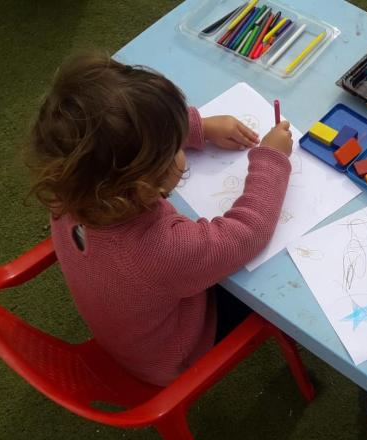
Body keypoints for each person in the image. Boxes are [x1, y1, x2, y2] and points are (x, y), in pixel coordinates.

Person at [25, 52, 293, 386]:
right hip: (176, 354)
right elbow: (248, 232)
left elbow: (117, 138)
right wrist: (271, 159)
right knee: (271, 287)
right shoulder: (162, 248)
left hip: (133, 333)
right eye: (171, 148)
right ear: (146, 182)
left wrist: (199, 127)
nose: (178, 149)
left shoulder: (70, 185)